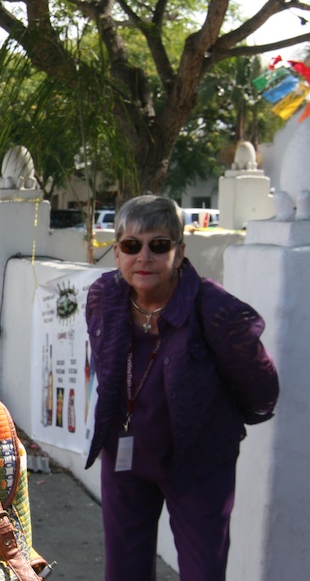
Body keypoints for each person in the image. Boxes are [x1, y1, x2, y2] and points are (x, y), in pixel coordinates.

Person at [84, 195, 279, 581]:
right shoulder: (104, 297)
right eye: (131, 246)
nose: (144, 257)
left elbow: (261, 390)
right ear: (117, 251)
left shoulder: (216, 310)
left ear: (179, 251)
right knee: (124, 570)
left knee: (202, 570)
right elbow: (107, 365)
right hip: (126, 453)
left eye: (159, 245)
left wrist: (215, 422)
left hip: (199, 462)